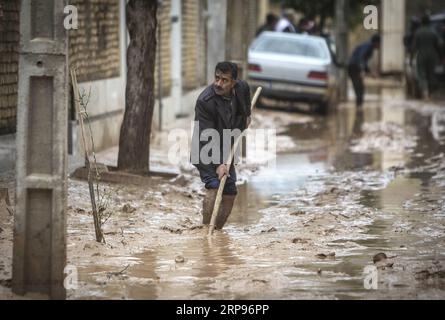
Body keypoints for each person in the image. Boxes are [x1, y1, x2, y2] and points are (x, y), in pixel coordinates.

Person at [191, 62, 251, 230]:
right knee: (214, 185)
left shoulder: (241, 88)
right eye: (217, 78)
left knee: (230, 191)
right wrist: (219, 164)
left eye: (224, 80)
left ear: (233, 83)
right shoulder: (205, 101)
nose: (218, 83)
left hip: (226, 146)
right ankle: (205, 229)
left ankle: (217, 230)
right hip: (205, 147)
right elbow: (206, 135)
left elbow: (246, 97)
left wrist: (247, 115)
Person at [411, 14, 441, 100]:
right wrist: (441, 57)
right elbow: (439, 45)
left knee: (422, 74)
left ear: (421, 22)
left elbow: (414, 47)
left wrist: (411, 57)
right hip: (432, 55)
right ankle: (431, 94)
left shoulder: (418, 32)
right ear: (429, 22)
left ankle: (425, 93)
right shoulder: (433, 32)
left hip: (422, 55)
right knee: (431, 74)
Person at [347, 34, 381, 108]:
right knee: (359, 88)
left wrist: (367, 71)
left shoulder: (368, 45)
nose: (380, 46)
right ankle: (359, 108)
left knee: (359, 88)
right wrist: (363, 71)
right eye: (379, 44)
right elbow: (361, 58)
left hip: (353, 66)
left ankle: (359, 107)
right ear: (376, 43)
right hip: (354, 67)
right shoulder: (369, 46)